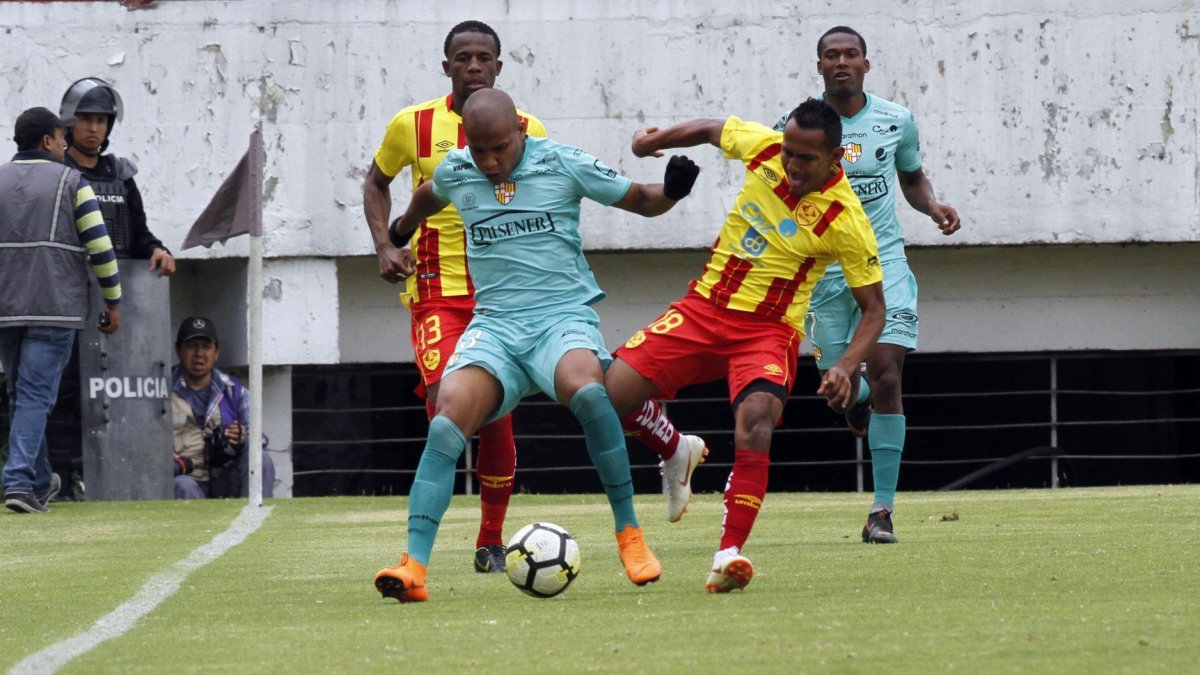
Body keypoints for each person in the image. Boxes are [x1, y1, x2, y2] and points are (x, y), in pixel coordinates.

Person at [362, 21, 705, 573]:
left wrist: (672, 191)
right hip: (493, 326)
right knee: (446, 418)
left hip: (558, 321)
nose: (490, 162)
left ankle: (630, 535)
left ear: (521, 131)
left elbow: (640, 200)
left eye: (500, 149)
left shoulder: (561, 161)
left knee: (591, 394)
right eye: (480, 151)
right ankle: (413, 566)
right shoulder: (457, 165)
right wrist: (397, 233)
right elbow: (428, 193)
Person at [606, 98, 886, 592]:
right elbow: (714, 129)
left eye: (806, 159)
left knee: (755, 421)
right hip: (703, 308)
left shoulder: (846, 219)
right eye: (789, 154)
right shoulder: (766, 149)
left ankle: (728, 553)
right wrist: (655, 141)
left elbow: (874, 309)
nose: (792, 165)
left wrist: (845, 365)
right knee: (613, 393)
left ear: (836, 158)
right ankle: (675, 449)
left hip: (768, 331)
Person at [773, 26, 961, 544]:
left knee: (886, 373)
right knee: (841, 388)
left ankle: (881, 511)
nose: (841, 62)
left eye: (850, 54)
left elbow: (911, 178)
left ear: (865, 64)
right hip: (824, 275)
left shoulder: (896, 121)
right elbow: (775, 191)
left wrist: (933, 205)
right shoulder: (798, 125)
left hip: (884, 265)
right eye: (831, 55)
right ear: (819, 67)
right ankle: (852, 398)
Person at [1, 107, 122, 514]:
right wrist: (113, 299)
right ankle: (18, 480)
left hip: (5, 307)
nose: (66, 144)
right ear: (47, 141)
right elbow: (100, 247)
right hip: (55, 306)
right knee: (35, 395)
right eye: (61, 137)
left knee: (21, 394)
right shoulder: (73, 182)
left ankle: (38, 481)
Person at [60, 77, 175, 276]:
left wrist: (157, 250)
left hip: (121, 281)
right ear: (70, 123)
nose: (94, 128)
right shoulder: (58, 173)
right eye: (86, 119)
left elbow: (139, 232)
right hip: (71, 283)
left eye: (101, 120)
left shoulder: (121, 175)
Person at [170, 316, 275, 499]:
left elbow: (261, 440)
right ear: (178, 350)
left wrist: (242, 437)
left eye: (206, 347)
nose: (199, 354)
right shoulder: (160, 388)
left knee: (261, 458)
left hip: (225, 477)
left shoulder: (233, 389)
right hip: (186, 477)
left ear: (216, 352)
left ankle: (257, 521)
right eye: (192, 346)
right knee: (182, 485)